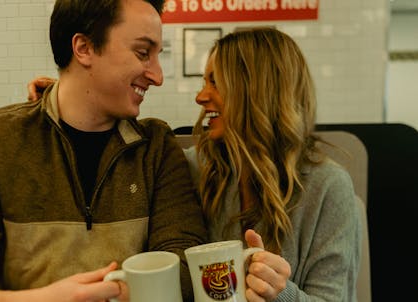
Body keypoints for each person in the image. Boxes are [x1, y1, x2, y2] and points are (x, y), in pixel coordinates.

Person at [27, 28, 362, 301]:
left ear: (256, 91)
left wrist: (281, 293)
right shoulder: (198, 168)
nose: (201, 97)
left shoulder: (329, 188)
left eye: (215, 82)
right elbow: (132, 158)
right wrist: (73, 100)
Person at [0, 1, 207, 302]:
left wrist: (118, 293)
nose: (158, 76)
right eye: (142, 53)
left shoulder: (156, 149)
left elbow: (185, 265)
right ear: (83, 48)